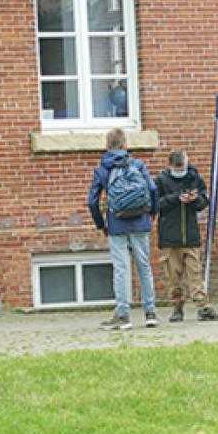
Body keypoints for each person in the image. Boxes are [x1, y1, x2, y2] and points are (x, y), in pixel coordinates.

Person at [87, 128, 159, 331]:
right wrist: (153, 212)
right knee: (144, 266)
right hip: (140, 220)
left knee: (121, 268)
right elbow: (152, 189)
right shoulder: (137, 164)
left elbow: (92, 201)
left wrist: (101, 224)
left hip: (116, 223)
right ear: (125, 144)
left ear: (107, 146)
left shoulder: (102, 169)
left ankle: (123, 315)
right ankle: (150, 313)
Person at [155, 150, 218, 322]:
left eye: (183, 168)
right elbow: (156, 204)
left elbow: (204, 200)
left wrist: (194, 200)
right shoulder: (161, 180)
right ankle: (177, 307)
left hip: (190, 234)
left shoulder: (195, 177)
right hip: (169, 236)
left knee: (195, 273)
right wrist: (176, 198)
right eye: (178, 168)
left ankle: (203, 307)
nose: (181, 171)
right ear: (170, 166)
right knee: (174, 276)